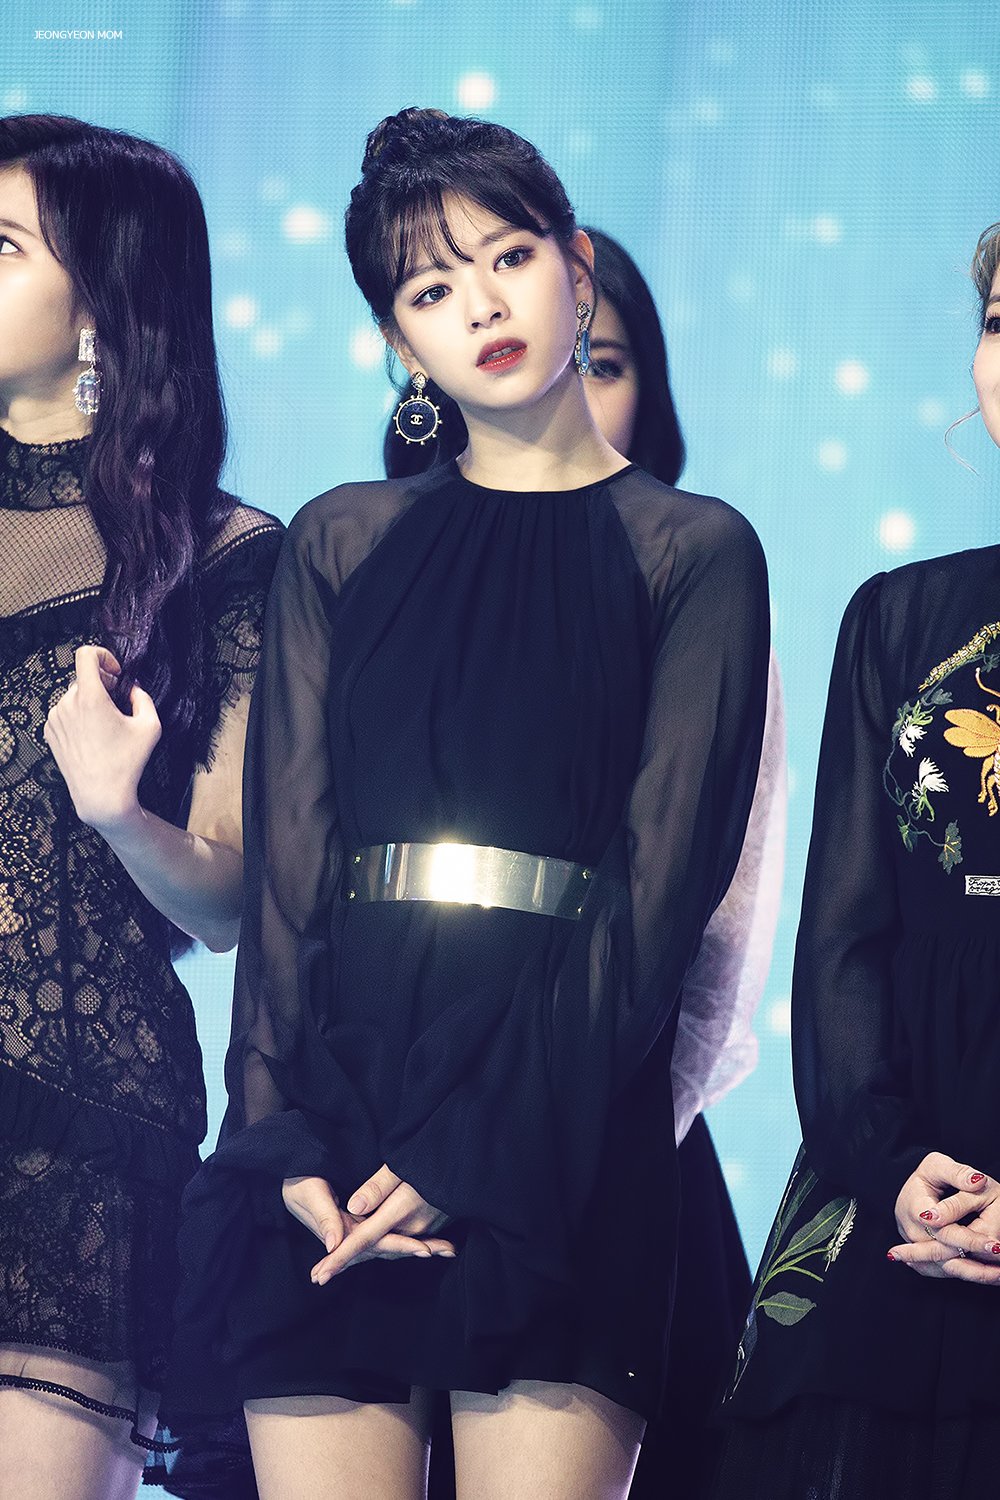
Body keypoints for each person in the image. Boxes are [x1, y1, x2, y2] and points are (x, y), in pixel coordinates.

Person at [164, 107, 769, 1500]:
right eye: (431, 288)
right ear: (397, 338)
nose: (481, 306)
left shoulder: (695, 552)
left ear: (577, 271)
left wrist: (470, 1149)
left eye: (507, 258)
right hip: (338, 1117)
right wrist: (279, 1130)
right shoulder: (341, 538)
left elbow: (654, 906)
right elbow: (294, 878)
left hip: (560, 1123)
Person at [384, 227, 787, 1500]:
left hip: (602, 1131)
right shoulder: (368, 565)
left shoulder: (693, 580)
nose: (552, 367)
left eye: (603, 361)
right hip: (380, 1110)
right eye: (436, 291)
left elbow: (716, 938)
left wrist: (561, 1136)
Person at [0, 114, 282, 1500]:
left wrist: (119, 814)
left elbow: (228, 898)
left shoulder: (226, 556)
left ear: (104, 303)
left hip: (73, 1124)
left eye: (0, 247)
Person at [709, 222, 1000, 1499]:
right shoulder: (898, 615)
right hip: (899, 1189)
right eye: (999, 321)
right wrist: (888, 1165)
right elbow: (843, 937)